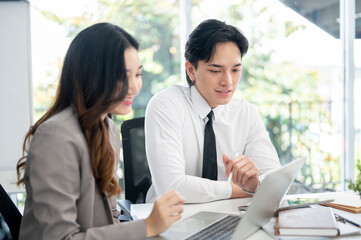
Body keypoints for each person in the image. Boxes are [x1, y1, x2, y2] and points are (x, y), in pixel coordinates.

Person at [16, 22, 184, 239]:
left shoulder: (109, 129)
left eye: (137, 74)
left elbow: (111, 216)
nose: (133, 87)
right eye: (122, 76)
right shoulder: (56, 136)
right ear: (91, 76)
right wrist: (147, 227)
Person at [145, 19, 281, 203]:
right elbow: (171, 188)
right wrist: (238, 189)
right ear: (191, 70)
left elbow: (275, 179)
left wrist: (255, 184)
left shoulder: (246, 113)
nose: (228, 81)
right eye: (216, 71)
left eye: (235, 70)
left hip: (229, 216)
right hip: (171, 219)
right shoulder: (166, 105)